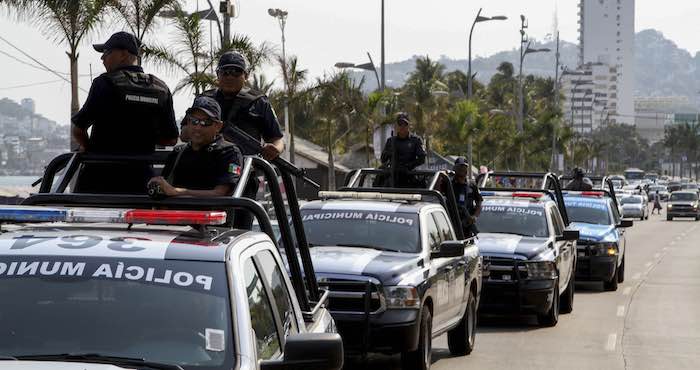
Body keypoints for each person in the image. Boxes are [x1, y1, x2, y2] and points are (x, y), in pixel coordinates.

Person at [72, 31, 178, 194]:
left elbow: (78, 129)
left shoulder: (105, 82)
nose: (102, 59)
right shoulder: (160, 88)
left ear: (123, 54)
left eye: (106, 53)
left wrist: (90, 150)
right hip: (141, 181)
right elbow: (171, 139)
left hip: (99, 179)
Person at [183, 51, 284, 160]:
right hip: (206, 163)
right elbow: (183, 134)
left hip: (247, 167)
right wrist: (203, 130)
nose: (230, 77)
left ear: (245, 76)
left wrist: (275, 149)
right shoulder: (204, 99)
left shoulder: (259, 102)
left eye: (236, 72)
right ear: (218, 75)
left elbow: (277, 138)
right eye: (225, 72)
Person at [148, 96, 242, 197]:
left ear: (218, 126)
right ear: (188, 123)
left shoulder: (229, 153)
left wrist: (178, 192)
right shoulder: (178, 152)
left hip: (212, 211)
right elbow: (166, 188)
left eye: (205, 122)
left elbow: (220, 194)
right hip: (178, 211)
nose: (198, 128)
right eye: (194, 121)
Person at [375, 112, 427, 188]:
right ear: (396, 126)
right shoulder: (391, 141)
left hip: (409, 177)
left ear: (409, 125)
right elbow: (383, 159)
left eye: (405, 124)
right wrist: (389, 153)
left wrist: (408, 166)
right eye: (400, 124)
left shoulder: (416, 140)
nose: (402, 126)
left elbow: (422, 159)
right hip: (393, 178)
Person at [451, 157, 483, 237]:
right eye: (459, 167)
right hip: (452, 222)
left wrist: (474, 216)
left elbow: (479, 202)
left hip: (467, 223)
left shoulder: (472, 185)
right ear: (455, 169)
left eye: (464, 167)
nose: (462, 169)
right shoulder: (449, 184)